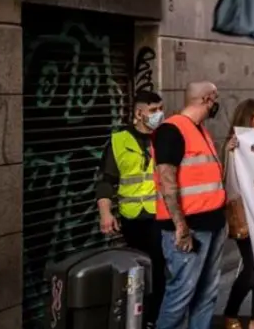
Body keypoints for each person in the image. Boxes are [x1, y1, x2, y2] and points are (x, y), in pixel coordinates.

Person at [153, 81, 227, 329]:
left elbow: (206, 176)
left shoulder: (200, 131)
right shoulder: (171, 130)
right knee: (181, 294)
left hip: (213, 223)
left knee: (207, 293)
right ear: (207, 99)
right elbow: (167, 181)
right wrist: (181, 227)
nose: (217, 104)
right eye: (216, 98)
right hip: (190, 228)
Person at [95, 90, 166, 328]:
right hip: (132, 218)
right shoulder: (119, 141)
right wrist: (105, 213)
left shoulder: (164, 137)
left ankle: (154, 319)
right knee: (137, 271)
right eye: (153, 110)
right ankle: (138, 317)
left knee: (158, 268)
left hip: (159, 215)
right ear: (139, 113)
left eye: (161, 109)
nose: (159, 115)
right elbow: (106, 181)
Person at [223, 99, 254, 329]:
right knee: (253, 270)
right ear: (249, 119)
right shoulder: (235, 145)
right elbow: (231, 184)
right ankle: (230, 313)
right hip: (244, 215)